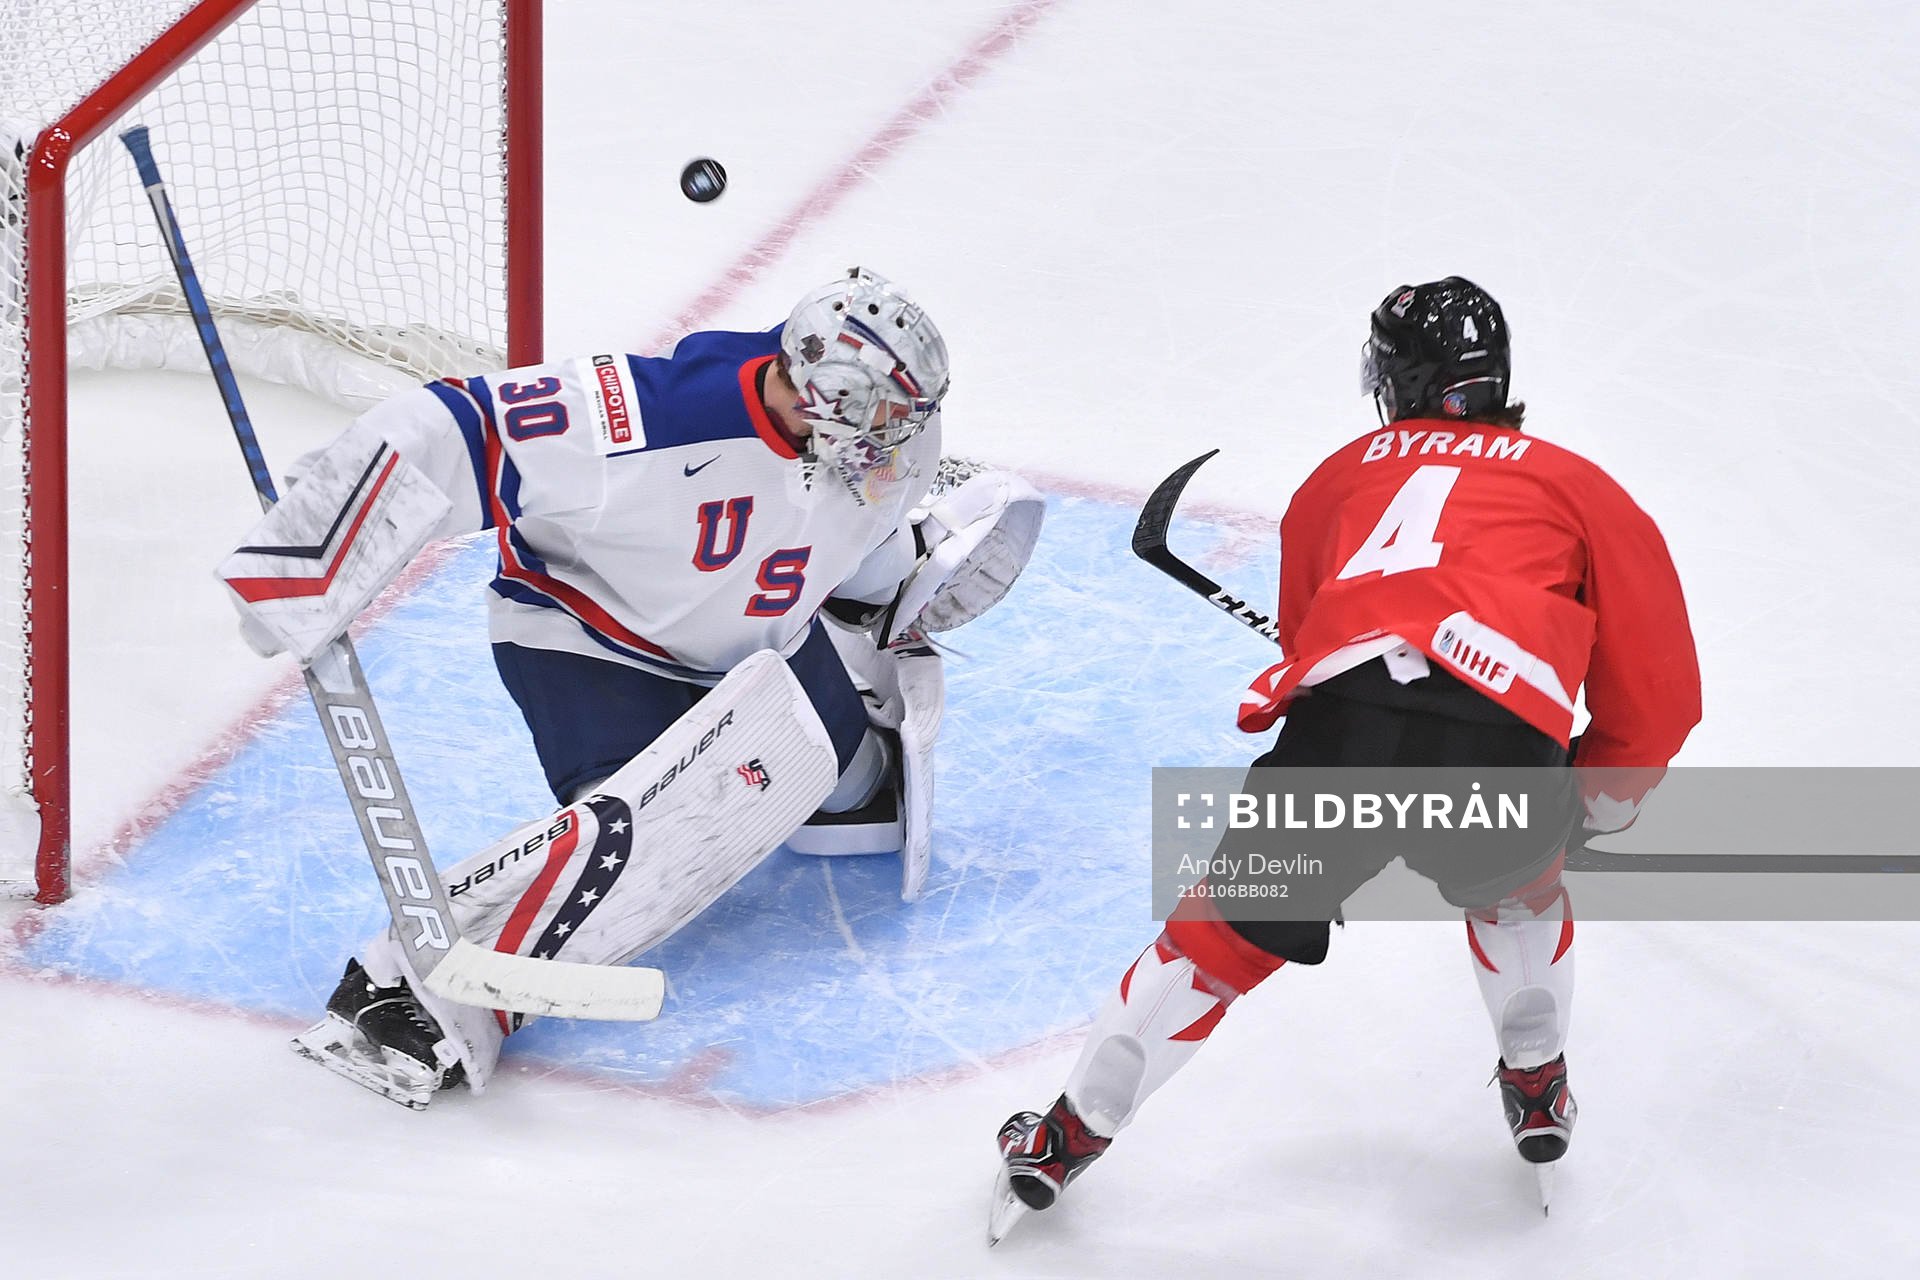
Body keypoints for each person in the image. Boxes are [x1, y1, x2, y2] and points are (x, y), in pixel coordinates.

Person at [220, 267, 1044, 1109]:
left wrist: (884, 580)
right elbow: (446, 423)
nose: (893, 444)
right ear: (811, 390)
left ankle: (853, 682)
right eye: (873, 422)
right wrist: (306, 553)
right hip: (592, 644)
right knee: (650, 841)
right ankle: (416, 994)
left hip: (751, 651)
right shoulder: (645, 419)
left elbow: (841, 522)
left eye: (903, 422)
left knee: (849, 797)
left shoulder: (896, 439)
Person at [991, 277, 1701, 1236]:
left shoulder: (1339, 475)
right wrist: (1602, 795)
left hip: (1344, 734)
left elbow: (1305, 640)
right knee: (1516, 892)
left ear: (1400, 376)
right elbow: (1657, 678)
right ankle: (1536, 1082)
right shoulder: (1575, 484)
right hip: (1496, 744)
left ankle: (1069, 1133)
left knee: (1214, 944)